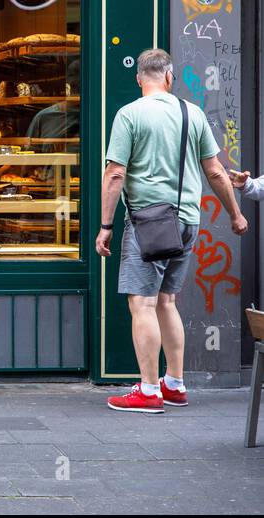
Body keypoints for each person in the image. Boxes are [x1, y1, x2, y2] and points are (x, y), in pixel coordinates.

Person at [96, 48, 246, 414]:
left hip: (148, 222)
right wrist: (235, 215)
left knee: (143, 303)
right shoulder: (190, 112)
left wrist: (105, 226)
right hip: (186, 221)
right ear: (169, 77)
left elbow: (115, 173)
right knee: (167, 301)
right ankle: (175, 384)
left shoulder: (129, 114)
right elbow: (214, 171)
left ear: (138, 78)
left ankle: (148, 390)